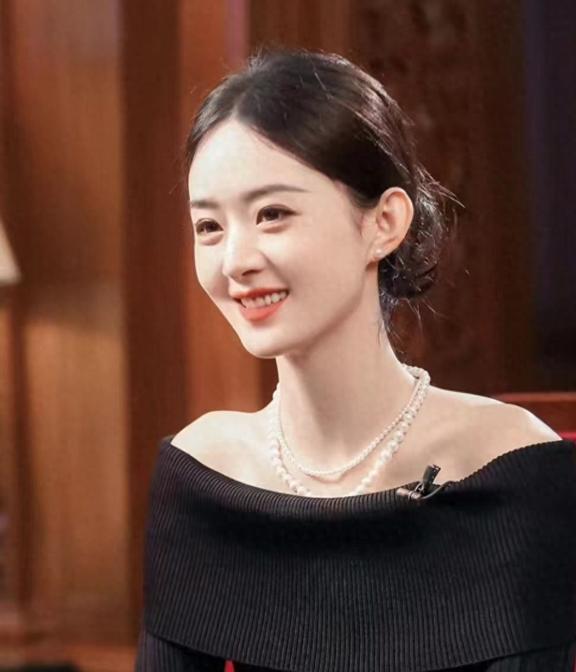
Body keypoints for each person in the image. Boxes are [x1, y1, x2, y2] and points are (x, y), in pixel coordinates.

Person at [135, 48, 576, 671]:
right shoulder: (201, 475)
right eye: (209, 227)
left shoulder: (510, 468)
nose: (235, 261)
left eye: (272, 214)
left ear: (384, 222)